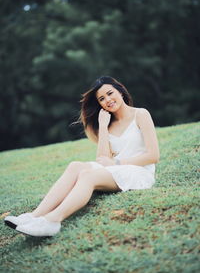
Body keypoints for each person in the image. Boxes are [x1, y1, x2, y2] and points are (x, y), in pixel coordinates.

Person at [4, 76, 160, 237]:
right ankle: (34, 216)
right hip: (118, 169)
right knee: (75, 166)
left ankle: (52, 220)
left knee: (88, 175)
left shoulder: (140, 114)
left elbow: (153, 155)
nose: (108, 100)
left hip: (139, 173)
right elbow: (102, 158)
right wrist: (104, 126)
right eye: (102, 99)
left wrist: (117, 162)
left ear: (120, 91)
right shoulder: (108, 123)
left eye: (110, 93)